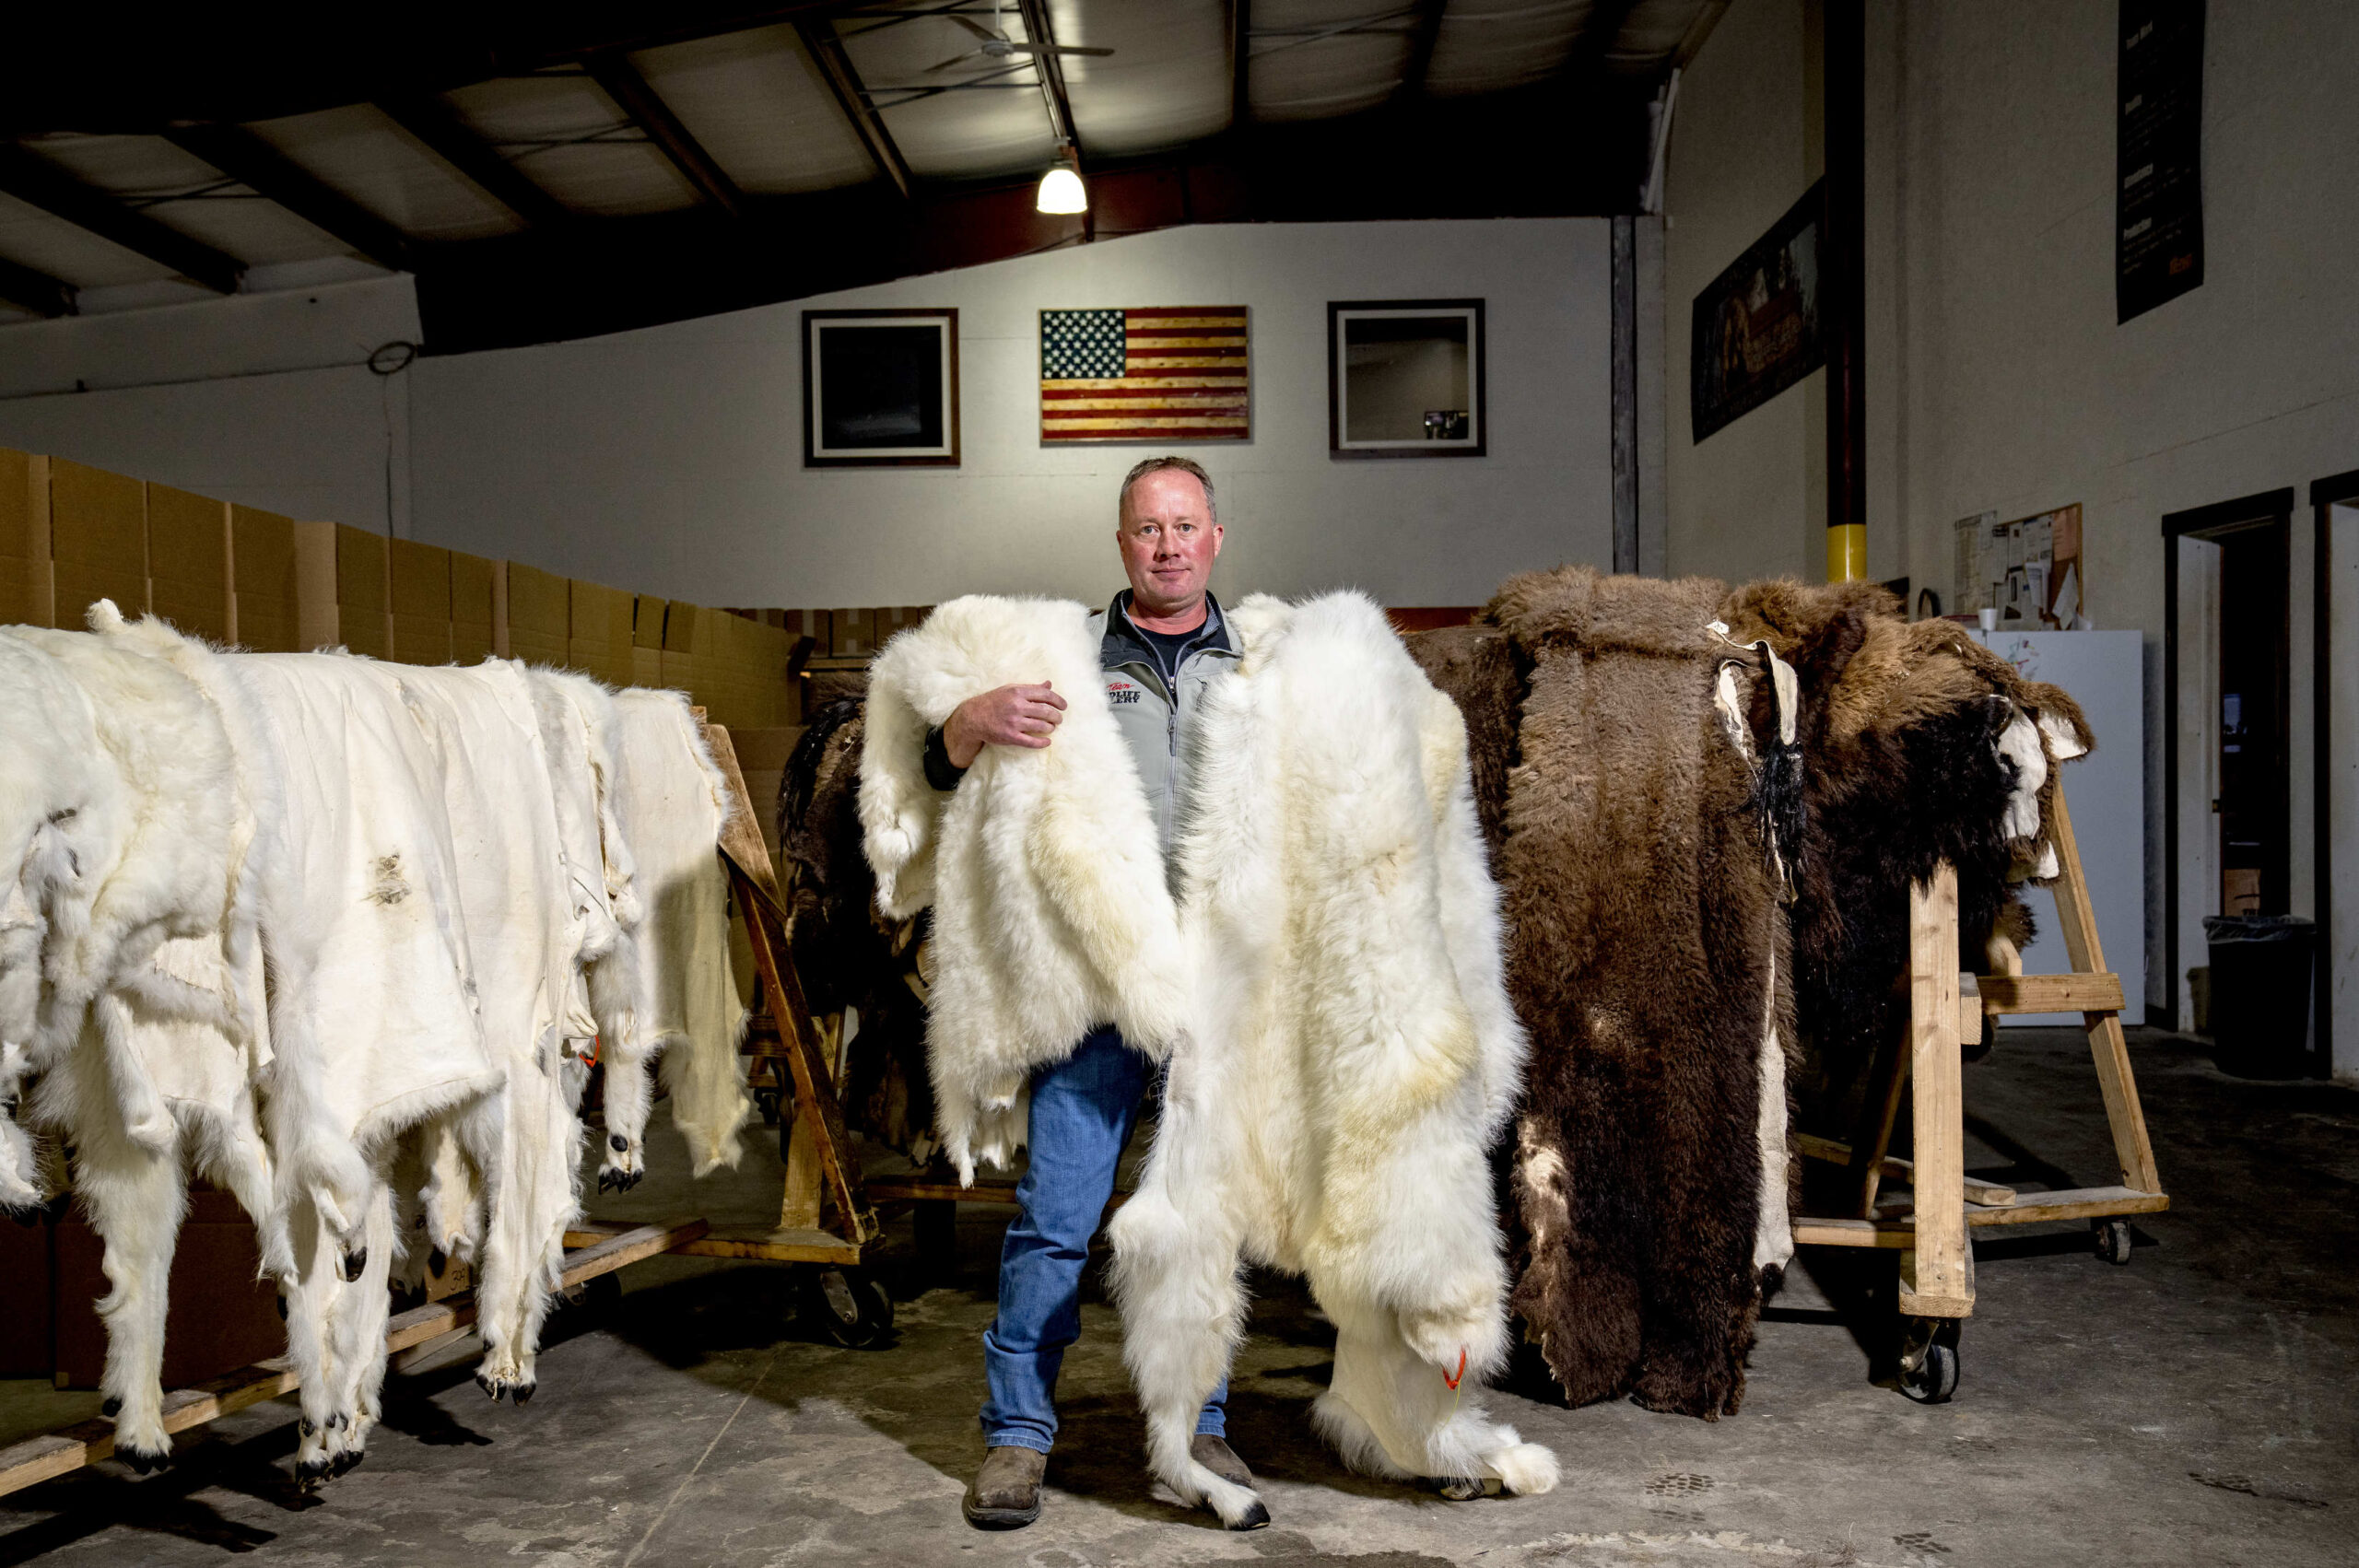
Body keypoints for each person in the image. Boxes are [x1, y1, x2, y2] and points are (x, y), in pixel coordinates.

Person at [928, 455, 1257, 1531]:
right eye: (1145, 528)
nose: (1166, 545)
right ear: (1120, 543)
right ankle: (1018, 1438)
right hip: (1097, 988)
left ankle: (1197, 1421)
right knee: (1054, 1223)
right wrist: (970, 718)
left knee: (1202, 1221)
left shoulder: (1264, 663)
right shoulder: (1062, 654)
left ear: (1216, 537)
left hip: (1213, 992)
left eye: (1183, 525)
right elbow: (927, 770)